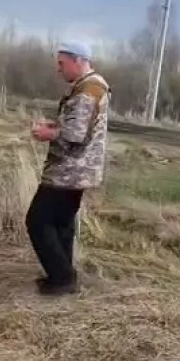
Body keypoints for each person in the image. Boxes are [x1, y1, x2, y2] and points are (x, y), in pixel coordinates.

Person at [26, 41, 110, 296]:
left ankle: (61, 278)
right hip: (80, 171)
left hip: (69, 170)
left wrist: (46, 133)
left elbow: (74, 134)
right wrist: (59, 123)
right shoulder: (93, 85)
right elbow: (80, 125)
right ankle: (63, 275)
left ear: (77, 60)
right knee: (62, 223)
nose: (58, 69)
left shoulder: (86, 91)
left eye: (61, 64)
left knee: (38, 220)